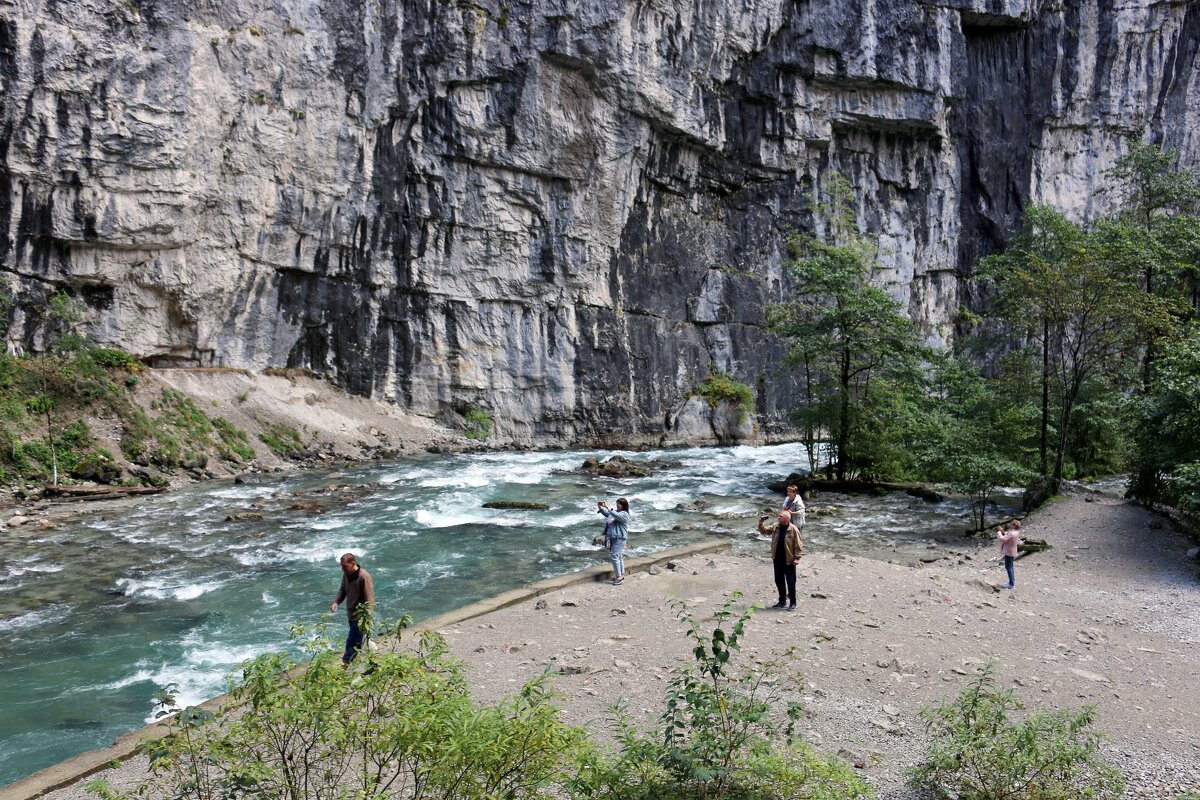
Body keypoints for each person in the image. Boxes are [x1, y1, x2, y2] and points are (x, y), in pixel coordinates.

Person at [330, 552, 375, 664]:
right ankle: (375, 664)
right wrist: (336, 602)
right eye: (342, 566)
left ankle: (344, 668)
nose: (342, 569)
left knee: (352, 643)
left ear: (353, 563)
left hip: (360, 617)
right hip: (351, 614)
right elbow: (342, 590)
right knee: (363, 641)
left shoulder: (364, 577)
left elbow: (370, 600)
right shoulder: (347, 574)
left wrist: (365, 619)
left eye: (344, 566)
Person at [758, 510, 802, 610]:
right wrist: (760, 523)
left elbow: (798, 544)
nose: (778, 517)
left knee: (791, 582)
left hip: (789, 560)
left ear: (787, 519)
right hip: (777, 558)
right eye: (779, 516)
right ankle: (782, 601)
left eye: (781, 516)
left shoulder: (793, 529)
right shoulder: (775, 526)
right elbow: (764, 531)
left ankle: (793, 603)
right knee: (779, 580)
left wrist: (797, 558)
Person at [598, 497, 631, 585]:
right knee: (618, 556)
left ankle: (618, 577)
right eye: (617, 503)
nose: (617, 505)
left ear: (624, 505)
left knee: (614, 556)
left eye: (619, 504)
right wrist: (600, 508)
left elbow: (616, 515)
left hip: (619, 538)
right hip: (612, 538)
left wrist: (608, 507)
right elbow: (608, 514)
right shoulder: (615, 512)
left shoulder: (624, 514)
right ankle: (621, 575)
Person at [997, 521, 1021, 589]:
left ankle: (1011, 584)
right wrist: (1002, 531)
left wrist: (999, 532)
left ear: (1014, 526)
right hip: (1012, 552)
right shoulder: (1015, 532)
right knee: (1011, 567)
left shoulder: (1012, 533)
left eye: (1011, 524)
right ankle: (1011, 582)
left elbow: (1003, 539)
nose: (1010, 525)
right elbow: (1007, 537)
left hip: (1009, 552)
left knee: (1008, 567)